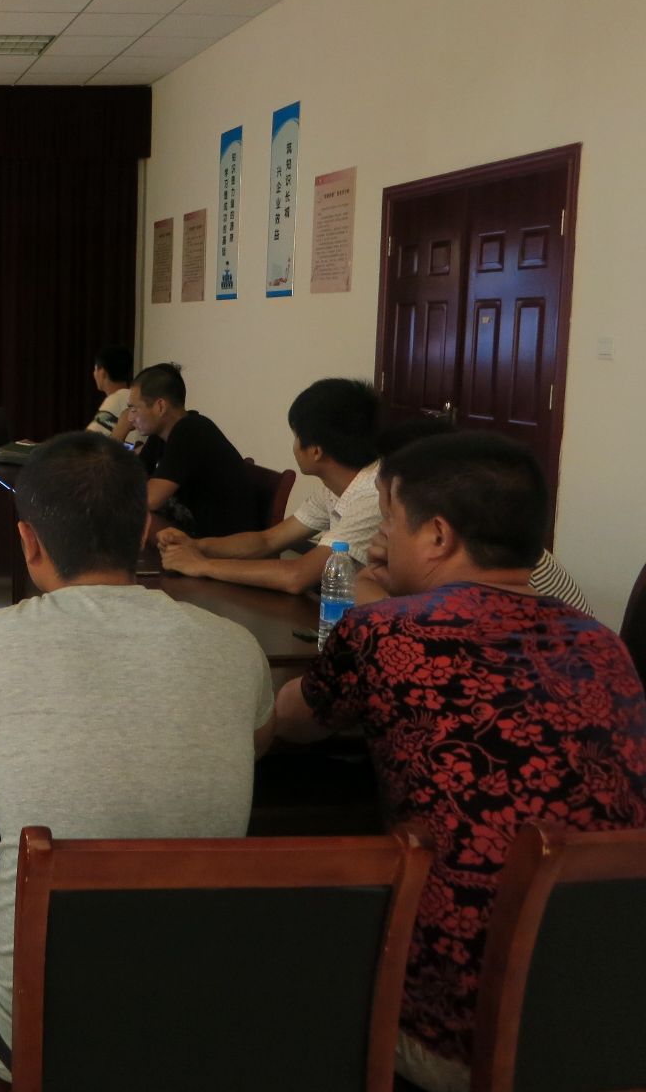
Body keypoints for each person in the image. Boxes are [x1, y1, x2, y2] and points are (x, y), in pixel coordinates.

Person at [273, 431, 646, 1092]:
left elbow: (292, 721)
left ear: (438, 536)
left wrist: (374, 610)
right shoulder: (603, 644)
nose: (382, 539)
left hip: (452, 1031)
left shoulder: (385, 631)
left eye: (390, 522)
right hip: (606, 1016)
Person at [0, 432, 275, 1080]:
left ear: (29, 542)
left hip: (41, 1019)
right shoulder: (236, 646)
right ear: (144, 533)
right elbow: (257, 741)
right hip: (203, 1005)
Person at [157, 377, 381, 593]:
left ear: (315, 451)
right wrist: (196, 546)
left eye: (296, 436)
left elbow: (297, 576)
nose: (294, 445)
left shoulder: (372, 495)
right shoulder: (335, 488)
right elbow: (267, 541)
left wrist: (201, 565)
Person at [353, 416, 591, 613]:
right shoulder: (497, 541)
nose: (384, 525)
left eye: (392, 512)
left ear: (438, 535)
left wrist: (383, 593)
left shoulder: (496, 569)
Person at [126, 362, 253, 536]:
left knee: (132, 517)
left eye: (134, 409)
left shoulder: (190, 430)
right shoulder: (161, 435)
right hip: (193, 532)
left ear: (160, 406)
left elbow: (150, 499)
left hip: (220, 541)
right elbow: (128, 475)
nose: (129, 418)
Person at [84, 344, 144, 449]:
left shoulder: (115, 399)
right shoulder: (134, 397)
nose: (94, 373)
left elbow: (85, 443)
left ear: (102, 372)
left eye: (95, 369)